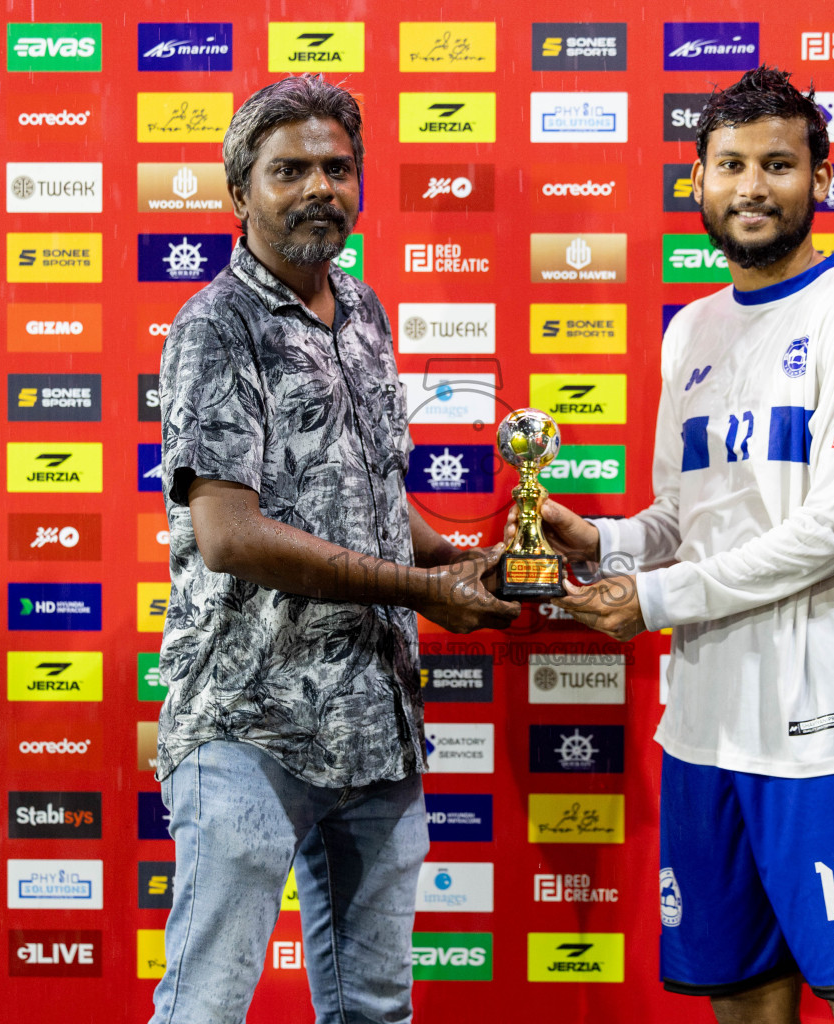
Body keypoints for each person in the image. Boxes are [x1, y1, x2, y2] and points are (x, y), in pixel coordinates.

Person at [541, 67, 834, 1024]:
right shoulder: (691, 331)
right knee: (743, 1001)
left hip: (826, 727)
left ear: (820, 181)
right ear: (698, 183)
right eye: (730, 166)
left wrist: (655, 600)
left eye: (777, 164)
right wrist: (604, 541)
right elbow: (685, 517)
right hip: (703, 728)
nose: (752, 187)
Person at [150, 74, 520, 1024]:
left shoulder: (362, 313)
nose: (320, 186)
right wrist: (412, 587)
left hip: (374, 720)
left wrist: (457, 564)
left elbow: (367, 500)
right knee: (207, 1006)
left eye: (337, 167)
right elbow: (228, 536)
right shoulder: (214, 328)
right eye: (290, 170)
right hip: (247, 721)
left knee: (374, 1011)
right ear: (241, 194)